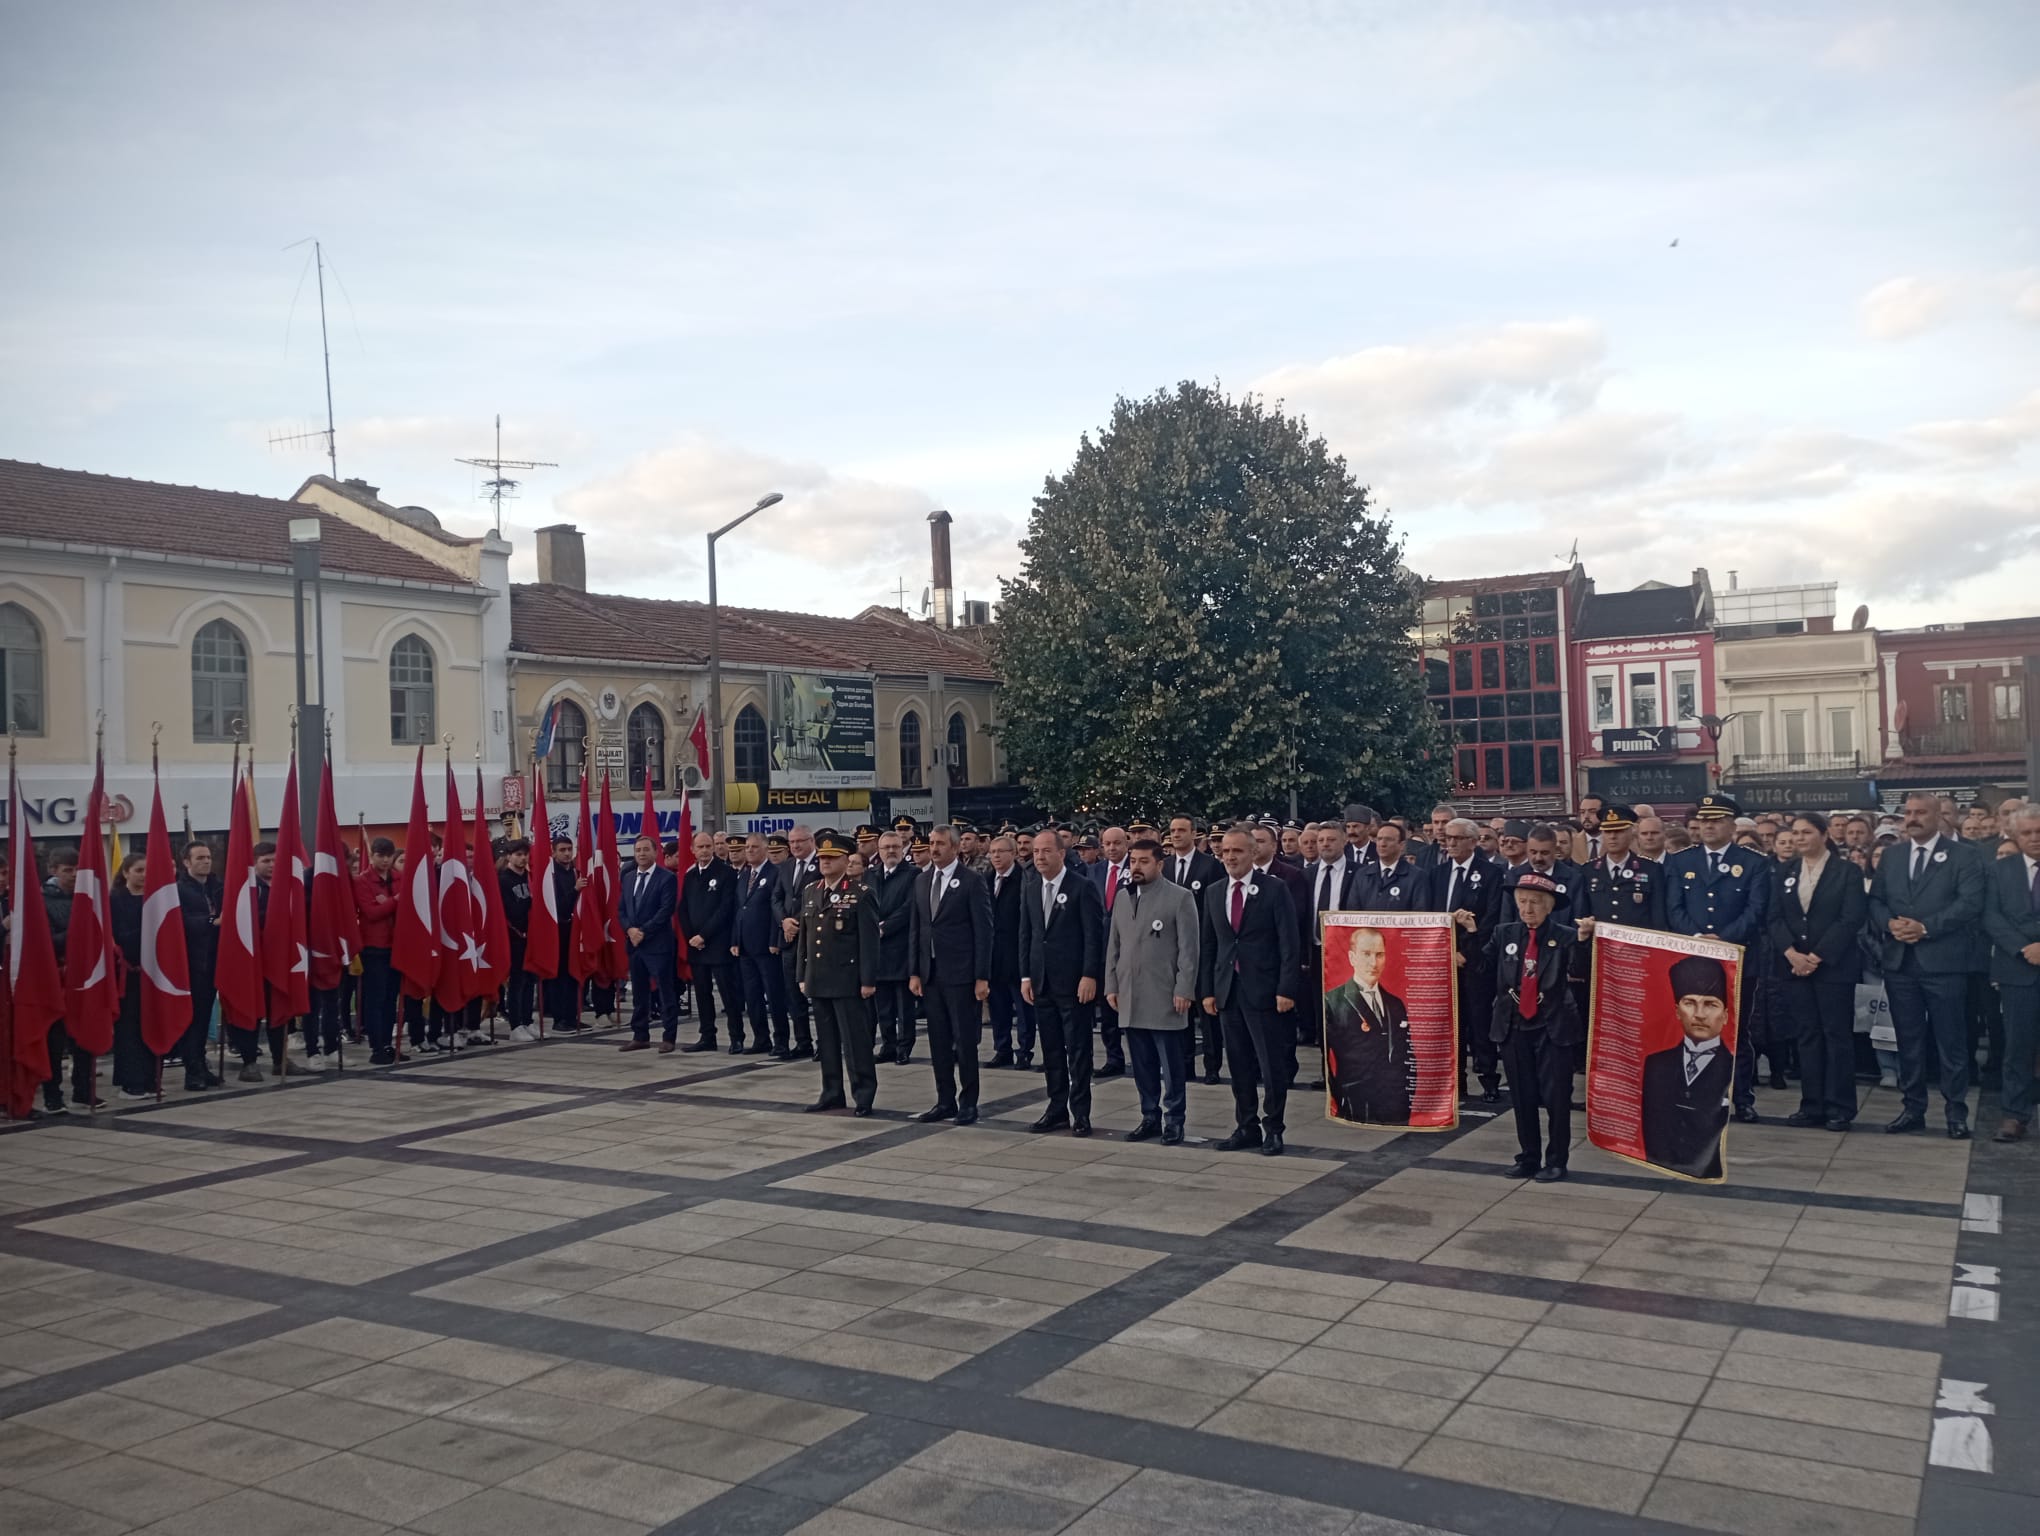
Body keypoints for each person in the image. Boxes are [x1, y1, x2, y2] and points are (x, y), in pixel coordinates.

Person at [1869, 791, 1987, 1138]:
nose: (1913, 818)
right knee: (1908, 1040)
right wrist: (1889, 924)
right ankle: (1913, 1108)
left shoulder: (1964, 856)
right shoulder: (1893, 856)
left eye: (1921, 812)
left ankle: (1955, 1112)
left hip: (1944, 961)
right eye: (1908, 812)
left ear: (1939, 817)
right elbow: (1876, 900)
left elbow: (1970, 903)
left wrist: (1926, 928)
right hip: (1900, 962)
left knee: (1951, 1041)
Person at [1665, 794, 1771, 1124]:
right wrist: (1700, 940)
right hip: (1694, 960)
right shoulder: (1681, 861)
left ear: (1731, 825)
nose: (1708, 826)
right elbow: (1674, 909)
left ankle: (1741, 1097)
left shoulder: (1753, 862)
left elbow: (1756, 910)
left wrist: (1723, 940)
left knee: (1736, 1031)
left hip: (1737, 960)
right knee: (1692, 1029)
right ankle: (1696, 1094)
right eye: (1704, 820)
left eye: (1716, 820)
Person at [1199, 828, 1300, 1155]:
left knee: (1270, 1063)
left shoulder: (1274, 889)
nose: (1229, 857)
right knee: (1238, 1062)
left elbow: (1289, 942)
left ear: (1252, 852)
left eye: (1237, 851)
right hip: (1229, 989)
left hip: (1265, 989)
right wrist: (1208, 991)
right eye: (1226, 851)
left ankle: (1274, 1127)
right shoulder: (1215, 892)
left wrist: (1286, 988)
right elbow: (1210, 944)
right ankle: (1246, 1125)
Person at [1771, 812, 1867, 1132]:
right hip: (1793, 965)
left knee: (1836, 1035)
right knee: (1807, 1035)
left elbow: (1851, 917)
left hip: (1833, 966)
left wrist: (1817, 955)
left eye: (1806, 832)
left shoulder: (1846, 872)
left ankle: (1839, 1106)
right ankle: (1811, 1104)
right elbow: (1772, 917)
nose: (1799, 838)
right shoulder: (1784, 871)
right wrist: (1791, 953)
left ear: (1824, 835)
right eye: (1795, 833)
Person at [1488, 868, 1582, 1182]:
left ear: (1550, 906)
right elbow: (1481, 966)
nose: (1528, 909)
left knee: (1557, 1098)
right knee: (1522, 1096)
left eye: (1536, 903)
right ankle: (1528, 1156)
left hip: (1553, 1027)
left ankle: (1556, 1160)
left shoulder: (1566, 936)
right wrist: (1468, 934)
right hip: (1513, 1025)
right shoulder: (1505, 933)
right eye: (1523, 902)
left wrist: (1584, 942)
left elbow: (1582, 971)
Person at [1105, 837, 1199, 1144]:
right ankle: (1149, 1115)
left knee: (1171, 1064)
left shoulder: (1179, 898)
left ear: (1160, 863)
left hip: (1164, 994)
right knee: (1141, 1063)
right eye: (1133, 861)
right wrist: (1111, 984)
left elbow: (1189, 949)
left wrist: (1184, 987)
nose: (1136, 867)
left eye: (1144, 861)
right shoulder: (1123, 897)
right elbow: (1114, 946)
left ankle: (1174, 1118)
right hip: (1130, 993)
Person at [1020, 826, 1106, 1134]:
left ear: (1061, 853)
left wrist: (1089, 975)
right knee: (1052, 1050)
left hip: (1073, 983)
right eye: (1036, 852)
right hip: (1042, 982)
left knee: (1078, 1050)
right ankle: (1056, 1108)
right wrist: (1026, 975)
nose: (1040, 857)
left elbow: (1093, 936)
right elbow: (1027, 934)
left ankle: (1080, 1112)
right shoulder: (1031, 886)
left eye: (1046, 851)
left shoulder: (1082, 887)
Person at [909, 824, 994, 1124]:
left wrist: (982, 976)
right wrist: (915, 972)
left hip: (961, 973)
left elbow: (984, 931)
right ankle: (944, 1100)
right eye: (932, 843)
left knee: (965, 1040)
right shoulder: (922, 881)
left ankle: (968, 1102)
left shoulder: (971, 881)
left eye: (941, 844)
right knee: (939, 1041)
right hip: (931, 973)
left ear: (956, 848)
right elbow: (917, 928)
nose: (934, 849)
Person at [797, 828, 881, 1116]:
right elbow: (805, 941)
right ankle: (831, 1092)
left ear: (847, 861)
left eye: (832, 858)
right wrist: (801, 975)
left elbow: (869, 942)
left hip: (848, 980)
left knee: (855, 1042)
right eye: (822, 857)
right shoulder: (811, 891)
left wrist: (868, 980)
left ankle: (864, 1094)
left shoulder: (860, 894)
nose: (825, 863)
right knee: (827, 1041)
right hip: (819, 979)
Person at [1426, 817, 1503, 1101]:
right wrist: (1446, 950)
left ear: (1473, 841)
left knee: (1479, 1021)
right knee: (1450, 1023)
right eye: (1448, 838)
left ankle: (1488, 1078)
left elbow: (1491, 917)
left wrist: (1466, 950)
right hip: (1443, 958)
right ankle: (1455, 1079)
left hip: (1475, 959)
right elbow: (1432, 915)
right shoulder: (1437, 873)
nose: (1451, 843)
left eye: (1458, 838)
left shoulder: (1490, 873)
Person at [1640, 955, 1736, 1179]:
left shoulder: (1732, 1065)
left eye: (1711, 1004)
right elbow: (1652, 1125)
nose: (1699, 1014)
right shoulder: (1656, 1064)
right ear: (1677, 1011)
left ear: (1725, 1015)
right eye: (1689, 1003)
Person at [1983, 805, 2040, 1142]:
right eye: (2028, 833)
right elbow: (1991, 917)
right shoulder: (1999, 870)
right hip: (2017, 969)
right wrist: (2024, 948)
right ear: (2016, 837)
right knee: (2017, 1045)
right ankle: (2015, 1115)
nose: (2035, 838)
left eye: (2039, 832)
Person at [1322, 926, 1413, 1124]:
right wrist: (1340, 1099)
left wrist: (1407, 1094)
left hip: (1395, 1104)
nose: (1373, 962)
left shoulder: (1395, 1004)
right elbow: (1326, 1060)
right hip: (1355, 1103)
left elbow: (1407, 1053)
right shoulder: (1332, 1001)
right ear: (1352, 957)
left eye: (1379, 955)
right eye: (1366, 954)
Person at [39, 851, 96, 1112]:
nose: (73, 875)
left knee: (85, 1035)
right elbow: (44, 941)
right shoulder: (41, 900)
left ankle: (84, 1090)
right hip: (56, 978)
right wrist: (75, 932)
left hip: (84, 976)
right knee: (55, 1040)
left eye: (77, 870)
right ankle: (53, 1094)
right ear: (53, 869)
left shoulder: (86, 897)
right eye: (67, 870)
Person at [615, 834, 681, 1053]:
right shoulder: (628, 877)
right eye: (638, 850)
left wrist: (643, 931)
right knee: (640, 993)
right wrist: (630, 930)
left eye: (646, 850)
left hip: (658, 944)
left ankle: (669, 1037)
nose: (641, 854)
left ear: (655, 852)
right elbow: (622, 909)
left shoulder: (666, 878)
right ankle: (640, 1035)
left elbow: (666, 910)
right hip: (635, 945)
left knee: (665, 991)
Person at [679, 831, 742, 1053]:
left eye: (708, 846)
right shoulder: (689, 876)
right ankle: (707, 1036)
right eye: (700, 847)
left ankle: (737, 1037)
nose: (705, 850)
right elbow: (683, 909)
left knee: (728, 993)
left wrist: (704, 935)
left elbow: (725, 909)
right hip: (696, 946)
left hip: (717, 944)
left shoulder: (725, 873)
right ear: (692, 850)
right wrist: (691, 937)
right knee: (702, 994)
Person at [733, 833, 792, 1057]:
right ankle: (761, 1038)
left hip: (767, 947)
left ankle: (781, 1041)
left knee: (774, 995)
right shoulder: (744, 874)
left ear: (765, 849)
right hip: (746, 946)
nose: (749, 851)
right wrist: (735, 940)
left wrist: (774, 941)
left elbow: (776, 910)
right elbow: (738, 909)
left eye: (755, 847)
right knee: (752, 995)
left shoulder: (775, 873)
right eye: (747, 847)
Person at [175, 842, 225, 1089]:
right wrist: (210, 921)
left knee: (205, 1016)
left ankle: (202, 1065)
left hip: (217, 960)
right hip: (194, 962)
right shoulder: (180, 889)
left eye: (208, 857)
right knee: (192, 1018)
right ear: (187, 862)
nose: (206, 861)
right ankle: (192, 1069)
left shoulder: (217, 887)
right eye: (200, 858)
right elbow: (179, 922)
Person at [866, 829, 918, 1063]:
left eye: (895, 847)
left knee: (904, 1005)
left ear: (902, 848)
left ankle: (904, 1046)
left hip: (900, 946)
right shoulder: (871, 874)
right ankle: (888, 1044)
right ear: (879, 850)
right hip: (877, 951)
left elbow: (910, 907)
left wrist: (884, 927)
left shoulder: (913, 874)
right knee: (883, 1005)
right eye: (886, 847)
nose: (891, 851)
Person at [1086, 825, 1132, 1076]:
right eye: (1107, 844)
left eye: (1117, 843)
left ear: (1126, 843)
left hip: (1129, 947)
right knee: (1107, 1007)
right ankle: (1114, 1057)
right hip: (1102, 949)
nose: (1112, 848)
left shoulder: (1135, 868)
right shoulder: (1094, 871)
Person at [984, 833, 1032, 1069]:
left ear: (1013, 853)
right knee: (997, 1005)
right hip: (993, 955)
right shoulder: (986, 879)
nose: (996, 856)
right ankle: (1002, 1048)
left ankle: (1025, 1050)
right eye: (992, 852)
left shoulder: (1025, 879)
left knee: (1022, 1008)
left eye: (1001, 851)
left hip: (1016, 953)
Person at [109, 852, 153, 1100]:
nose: (144, 875)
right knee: (128, 1027)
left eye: (148, 870)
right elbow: (120, 935)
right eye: (139, 870)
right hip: (126, 973)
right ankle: (130, 1081)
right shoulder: (115, 900)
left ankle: (149, 1078)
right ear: (125, 872)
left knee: (149, 1024)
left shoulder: (154, 899)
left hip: (152, 973)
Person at [355, 836, 401, 1062]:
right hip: (374, 947)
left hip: (397, 946)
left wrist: (388, 901)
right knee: (376, 998)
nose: (384, 860)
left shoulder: (399, 878)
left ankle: (387, 1042)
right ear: (371, 856)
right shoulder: (363, 881)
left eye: (388, 856)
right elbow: (371, 913)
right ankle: (376, 1045)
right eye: (379, 856)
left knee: (391, 998)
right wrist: (395, 901)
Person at [776, 824, 820, 1057]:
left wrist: (795, 922)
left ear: (811, 841)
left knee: (818, 993)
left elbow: (821, 898)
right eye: (792, 842)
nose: (795, 846)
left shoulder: (821, 864)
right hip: (789, 940)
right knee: (793, 995)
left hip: (813, 937)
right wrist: (784, 921)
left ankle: (825, 1043)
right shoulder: (786, 866)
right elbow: (777, 898)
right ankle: (803, 1042)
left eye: (800, 841)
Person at [497, 839, 536, 1042]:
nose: (522, 858)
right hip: (515, 937)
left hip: (532, 936)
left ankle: (528, 1020)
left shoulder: (530, 878)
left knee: (530, 980)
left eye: (525, 854)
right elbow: (508, 910)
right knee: (517, 981)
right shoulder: (503, 879)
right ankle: (515, 1024)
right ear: (509, 856)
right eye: (518, 854)